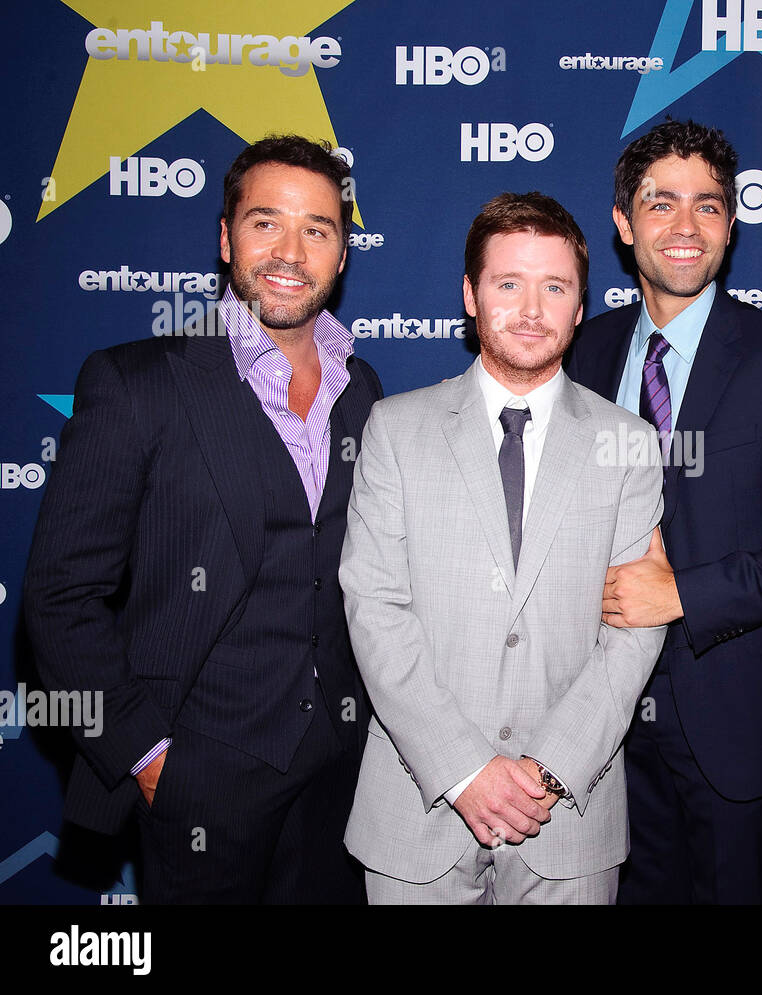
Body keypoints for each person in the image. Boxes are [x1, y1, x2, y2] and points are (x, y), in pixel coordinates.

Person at [24, 135, 382, 903]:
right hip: (198, 775)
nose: (290, 250)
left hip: (339, 770)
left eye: (317, 229)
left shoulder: (362, 389)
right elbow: (58, 599)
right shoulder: (136, 382)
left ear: (342, 254)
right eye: (265, 223)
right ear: (224, 238)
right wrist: (147, 754)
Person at [567, 120, 762, 904]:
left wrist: (685, 594)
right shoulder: (584, 353)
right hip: (596, 728)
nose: (684, 226)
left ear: (731, 228)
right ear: (623, 221)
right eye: (660, 203)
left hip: (733, 731)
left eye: (707, 206)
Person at [340, 192, 666, 905]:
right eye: (508, 283)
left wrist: (549, 767)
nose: (531, 308)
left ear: (581, 306)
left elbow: (634, 630)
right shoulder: (395, 429)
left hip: (567, 813)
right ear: (469, 294)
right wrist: (465, 769)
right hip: (415, 804)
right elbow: (375, 608)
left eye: (555, 287)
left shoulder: (630, 444)